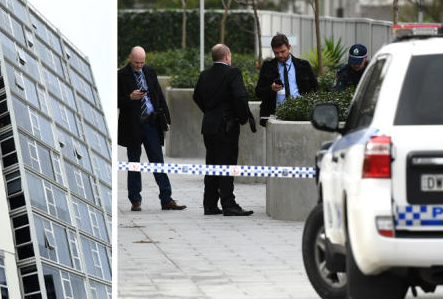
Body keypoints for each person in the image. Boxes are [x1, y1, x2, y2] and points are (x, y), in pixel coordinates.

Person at [117, 46, 186, 211]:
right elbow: (117, 100)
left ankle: (166, 199)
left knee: (158, 161)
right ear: (130, 58)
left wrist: (166, 119)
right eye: (136, 62)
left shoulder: (150, 72)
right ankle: (135, 200)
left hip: (151, 123)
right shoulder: (120, 75)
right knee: (134, 163)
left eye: (142, 62)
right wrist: (130, 97)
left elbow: (159, 96)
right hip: (132, 125)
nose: (139, 66)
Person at [193, 44, 256, 216]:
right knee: (227, 165)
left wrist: (209, 112)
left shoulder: (204, 75)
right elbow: (240, 96)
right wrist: (243, 118)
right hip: (227, 127)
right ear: (227, 56)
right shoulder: (233, 73)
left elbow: (196, 96)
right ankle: (229, 204)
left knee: (212, 164)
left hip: (209, 127)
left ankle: (210, 204)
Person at [256, 33, 318, 126]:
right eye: (276, 53)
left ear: (289, 47)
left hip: (301, 115)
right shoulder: (268, 66)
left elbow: (315, 89)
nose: (280, 55)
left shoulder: (303, 65)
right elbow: (258, 92)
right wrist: (271, 89)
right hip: (274, 116)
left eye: (283, 51)